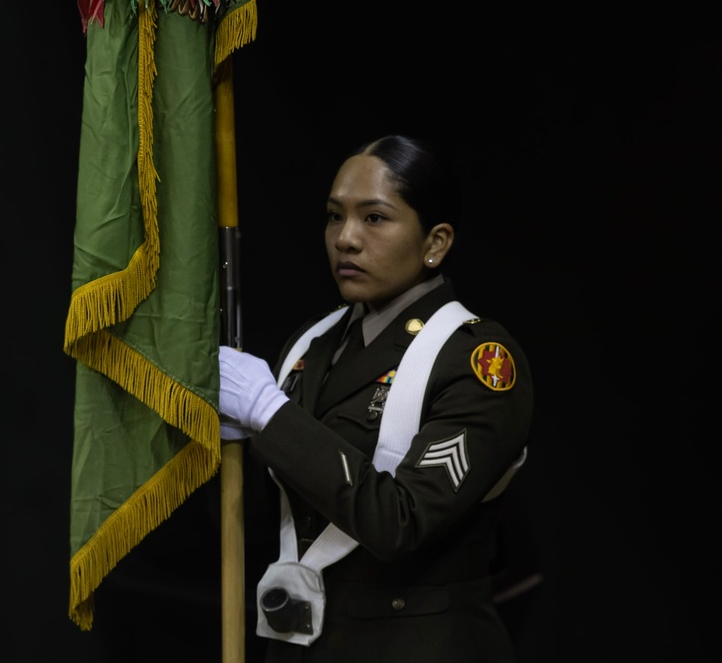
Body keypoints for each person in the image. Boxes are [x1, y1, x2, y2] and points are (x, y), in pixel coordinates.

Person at [217, 134, 534, 662]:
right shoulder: (311, 346)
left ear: (435, 242)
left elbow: (400, 522)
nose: (346, 239)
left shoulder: (479, 361)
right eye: (334, 216)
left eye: (375, 218)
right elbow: (270, 519)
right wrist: (232, 448)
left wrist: (270, 416)